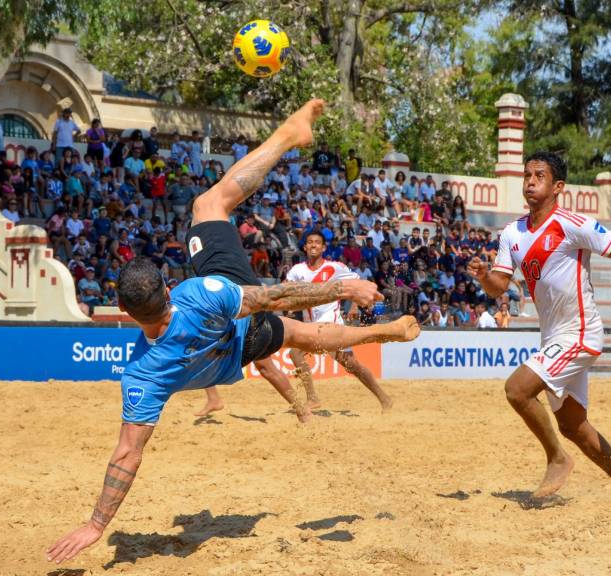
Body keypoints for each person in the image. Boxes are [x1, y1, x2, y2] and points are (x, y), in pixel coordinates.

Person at [46, 100, 421, 564]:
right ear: (167, 285)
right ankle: (289, 132)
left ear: (123, 311)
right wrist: (347, 286)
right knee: (210, 203)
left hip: (238, 349)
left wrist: (96, 524)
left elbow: (127, 455)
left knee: (304, 337)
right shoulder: (198, 293)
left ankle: (382, 331)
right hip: (228, 312)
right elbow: (273, 296)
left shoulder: (141, 376)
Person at [468, 151, 611, 502]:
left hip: (581, 332)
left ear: (557, 186)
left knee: (517, 389)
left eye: (539, 175)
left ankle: (557, 459)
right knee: (572, 425)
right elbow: (499, 287)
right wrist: (484, 277)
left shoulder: (572, 223)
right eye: (526, 175)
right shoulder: (512, 233)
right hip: (554, 337)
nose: (530, 181)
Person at [285, 231, 393, 412]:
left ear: (323, 247)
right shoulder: (297, 270)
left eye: (317, 242)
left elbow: (358, 284)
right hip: (311, 325)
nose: (313, 245)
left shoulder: (335, 267)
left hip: (331, 324)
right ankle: (384, 398)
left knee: (296, 353)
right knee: (352, 365)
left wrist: (354, 306)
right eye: (310, 242)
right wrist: (289, 307)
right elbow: (286, 290)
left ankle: (313, 399)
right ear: (304, 247)